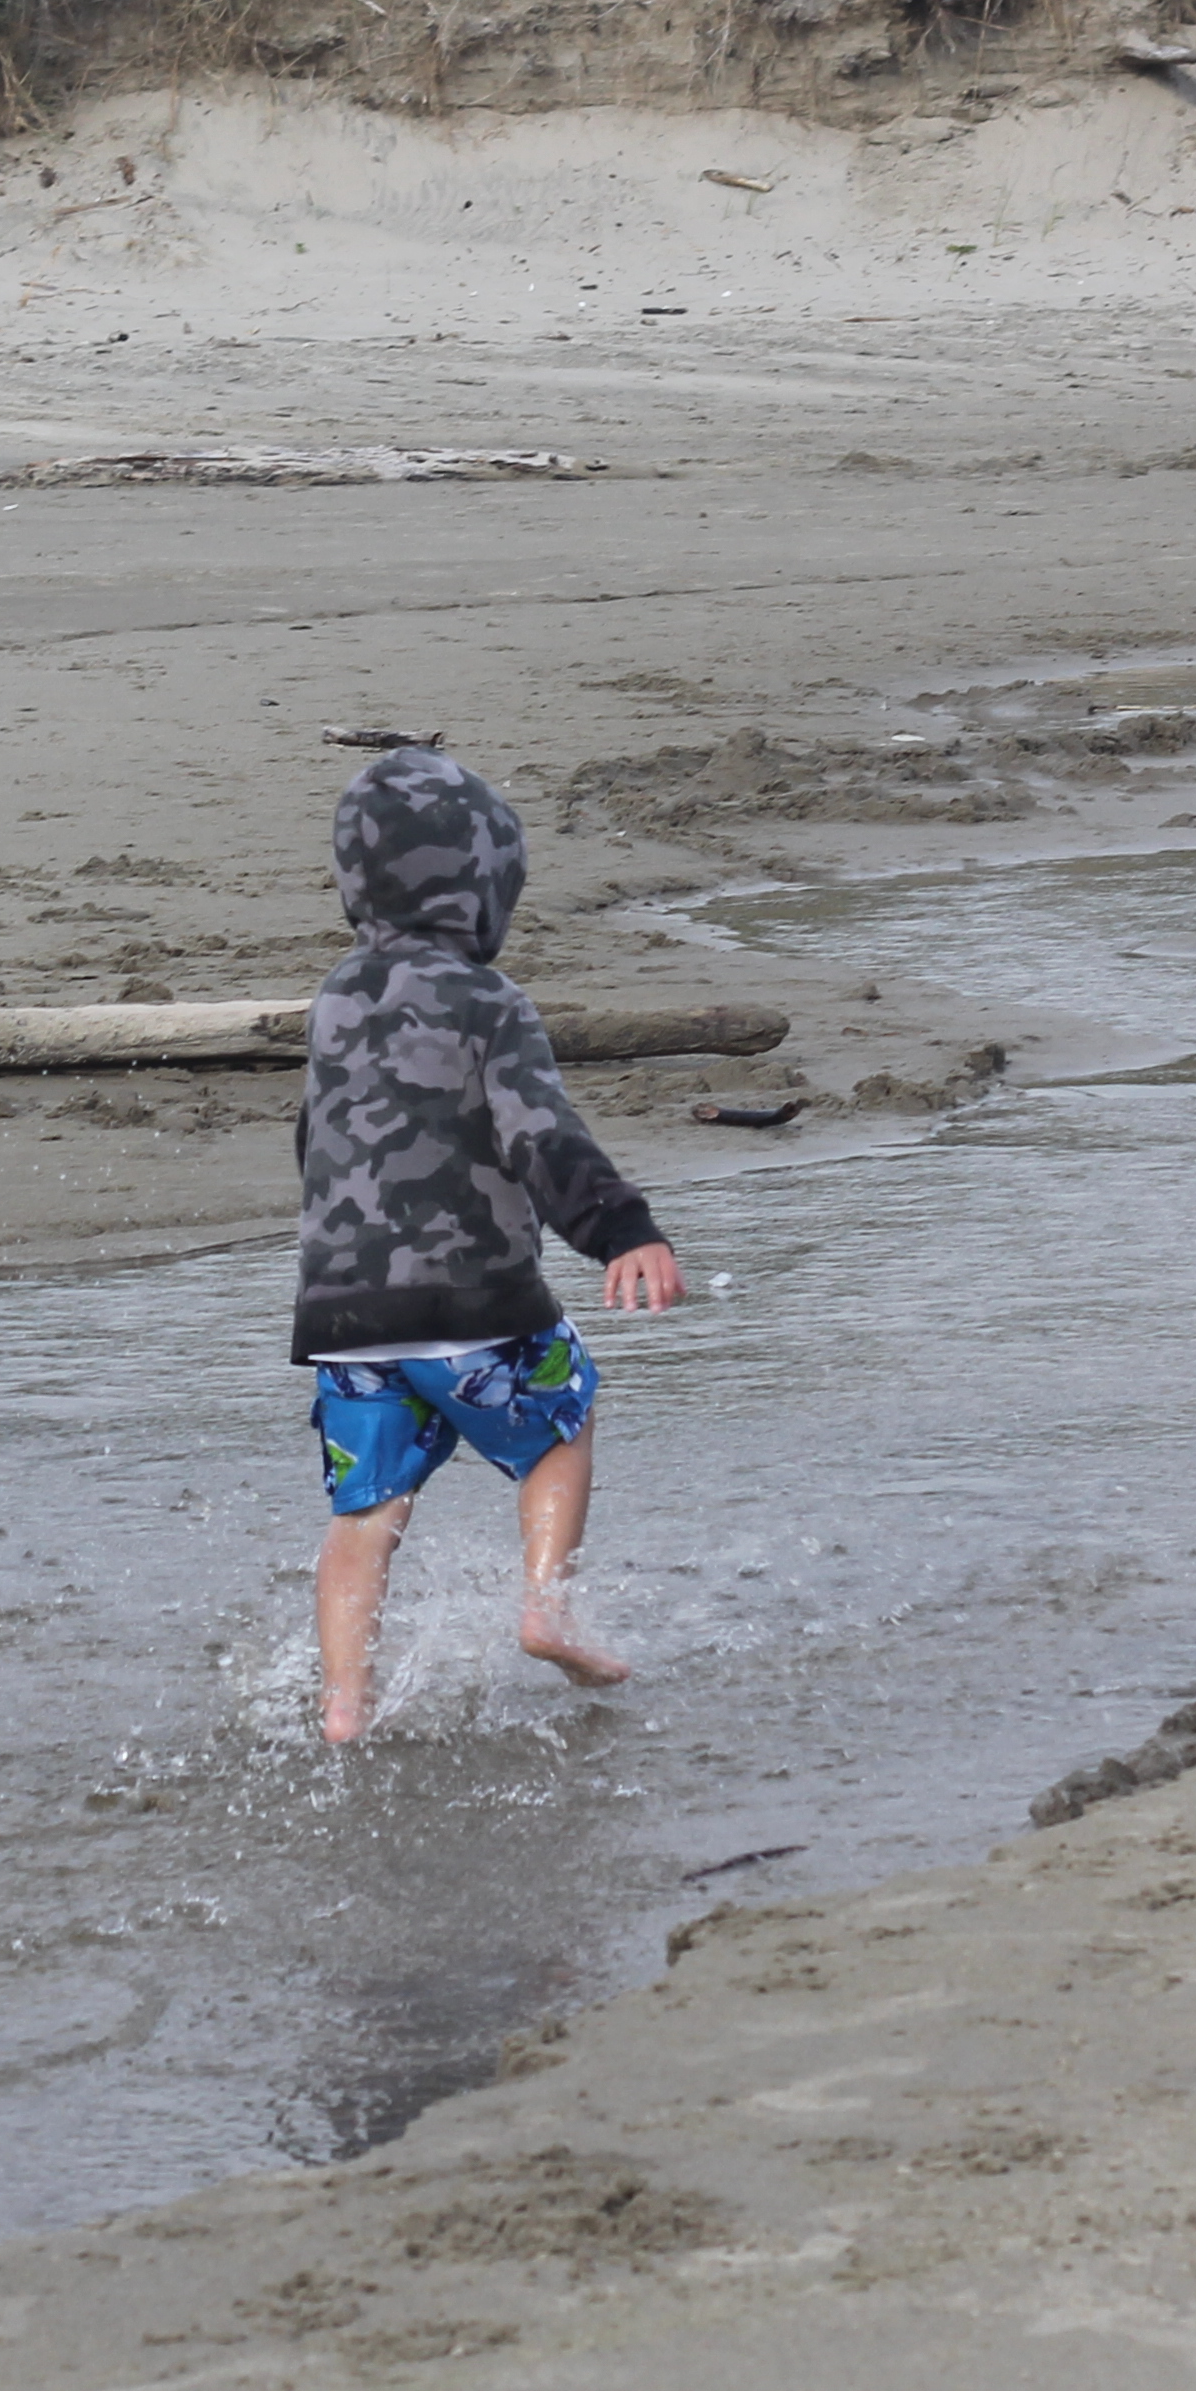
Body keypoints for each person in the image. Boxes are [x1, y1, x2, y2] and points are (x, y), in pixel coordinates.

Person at [294, 745, 684, 1743]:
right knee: (564, 1417)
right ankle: (548, 1609)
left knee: (365, 1514)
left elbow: (314, 1138)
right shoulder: (489, 1001)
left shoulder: (335, 996)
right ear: (485, 886)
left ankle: (345, 1703)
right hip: (473, 1300)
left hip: (344, 1315)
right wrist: (621, 1233)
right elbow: (538, 1135)